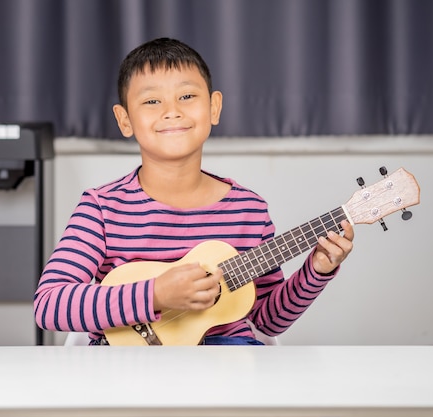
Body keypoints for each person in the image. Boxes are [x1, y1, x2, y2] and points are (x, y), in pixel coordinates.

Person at [34, 37, 354, 345]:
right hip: (129, 372)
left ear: (214, 107)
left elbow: (268, 322)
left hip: (227, 370)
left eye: (187, 96)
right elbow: (49, 305)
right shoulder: (102, 208)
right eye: (151, 101)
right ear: (125, 119)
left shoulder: (248, 208)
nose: (171, 111)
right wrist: (156, 294)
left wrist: (316, 271)